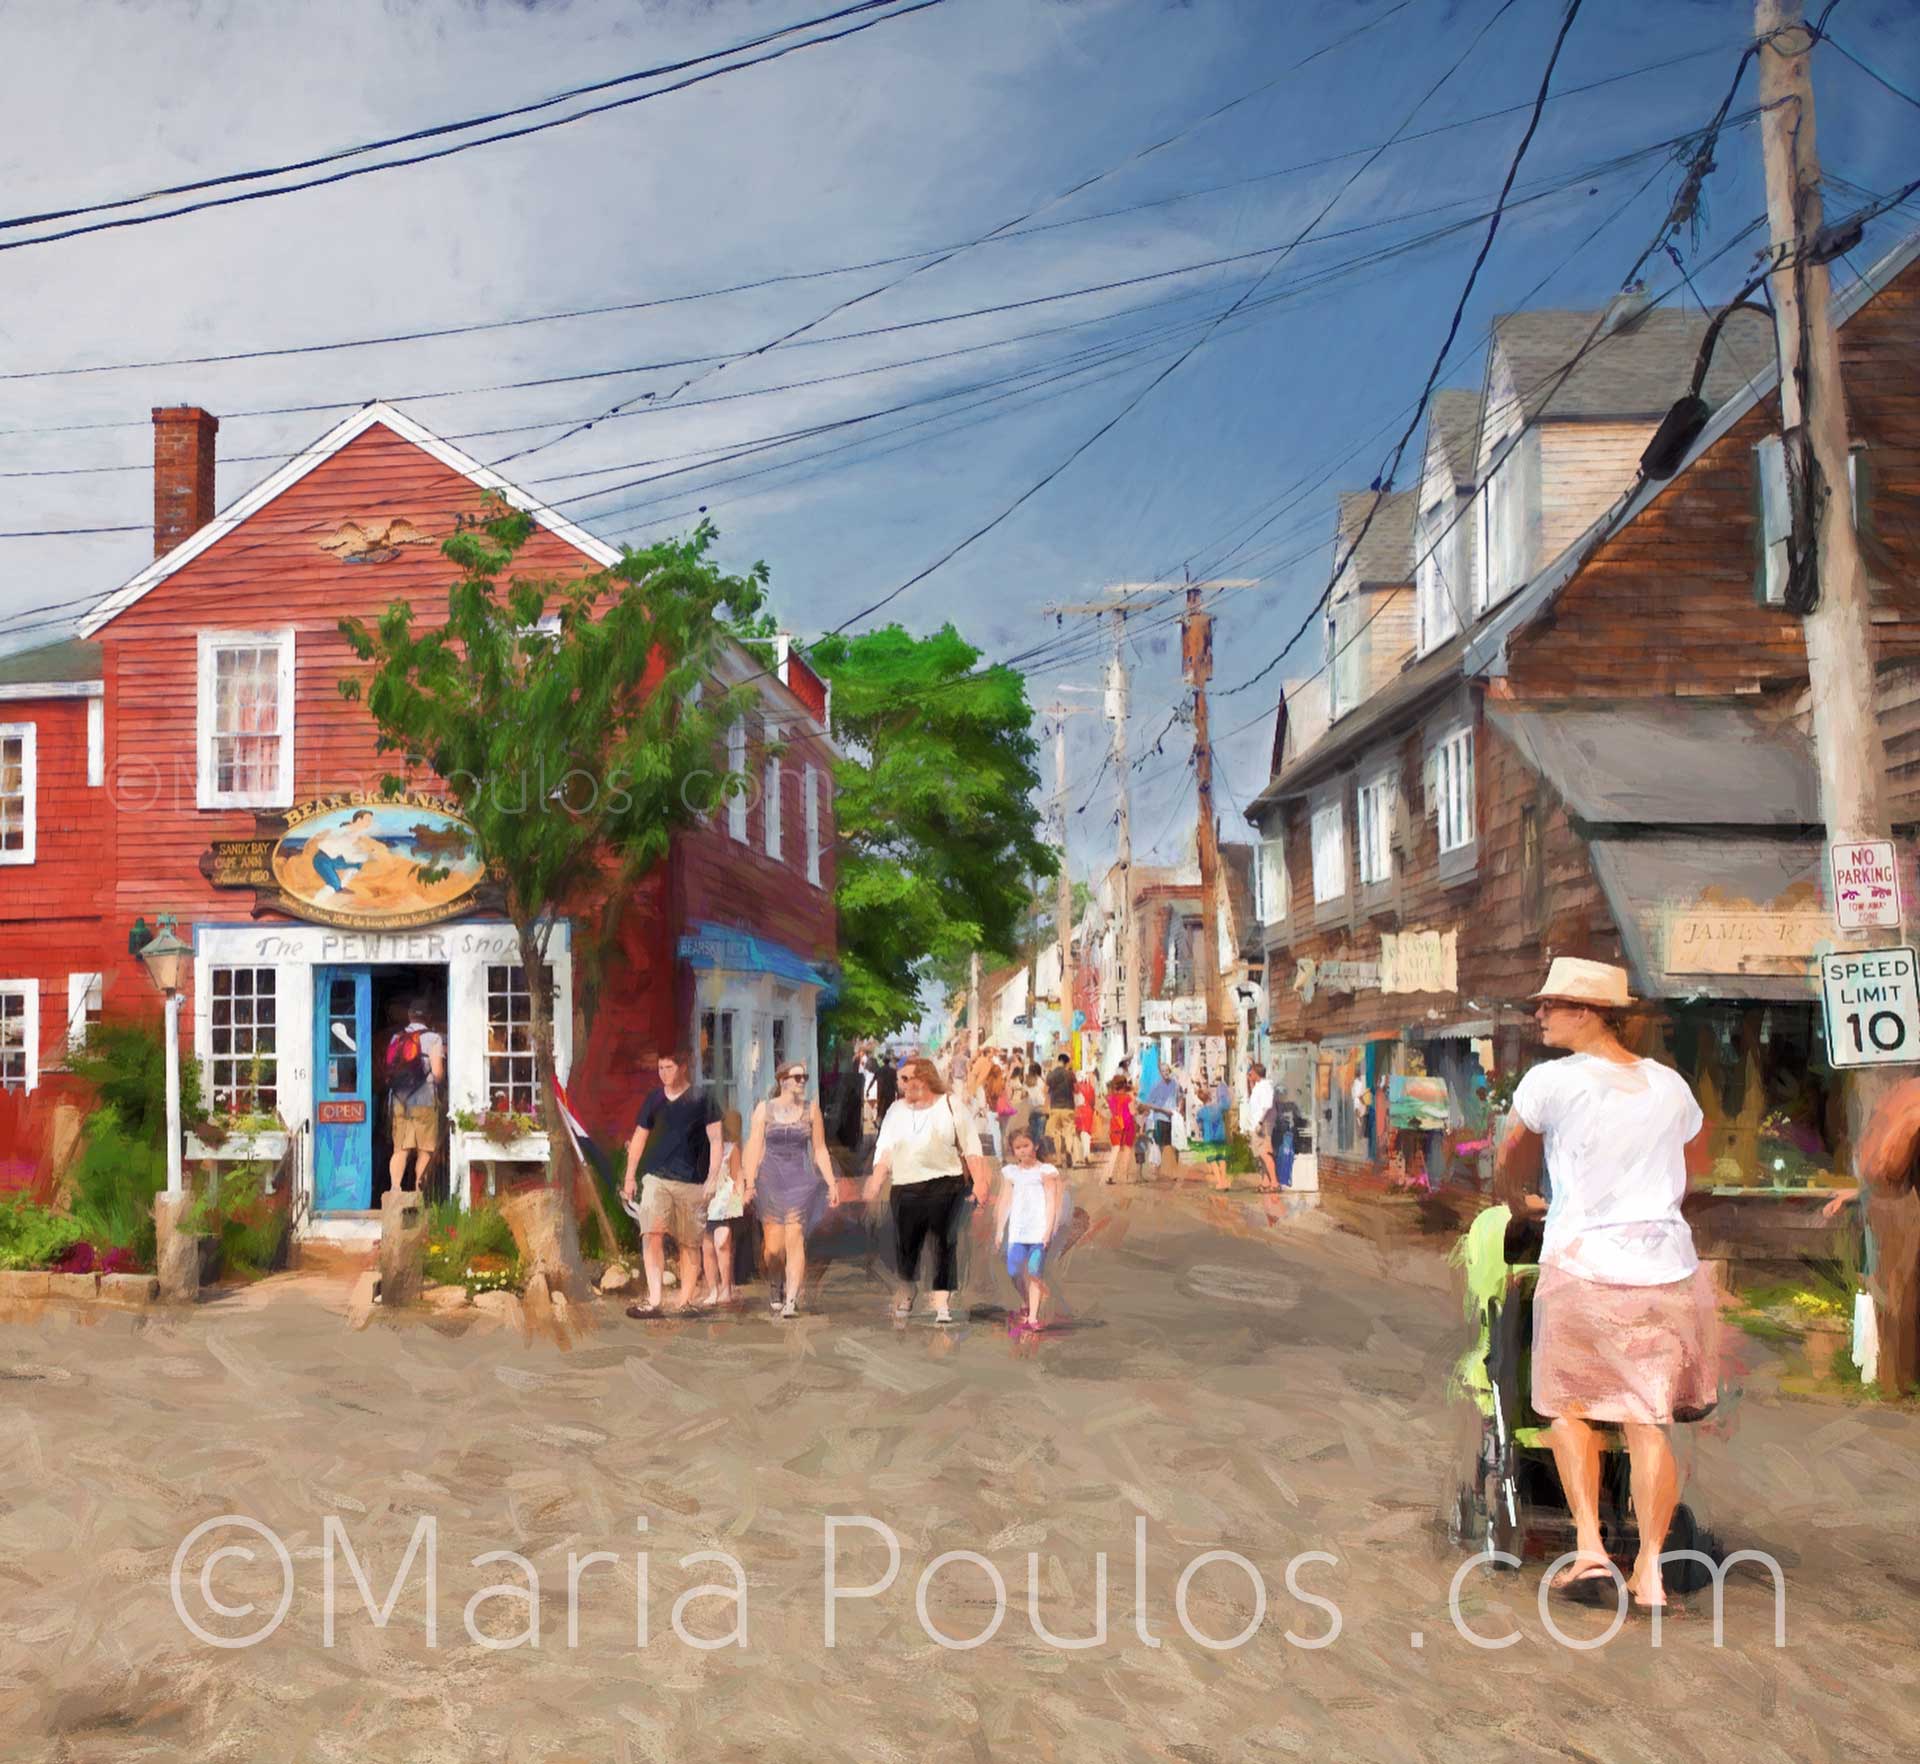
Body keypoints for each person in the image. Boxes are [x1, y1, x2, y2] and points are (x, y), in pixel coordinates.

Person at [1493, 958, 1717, 1612]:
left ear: (1587, 1013)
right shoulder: (1671, 1087)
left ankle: (1591, 1548)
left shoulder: (1549, 1082)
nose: (1540, 1015)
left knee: (1569, 1408)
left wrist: (1519, 1204)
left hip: (1584, 1266)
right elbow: (1692, 1171)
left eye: (1551, 1005)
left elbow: (1512, 1163)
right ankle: (1649, 1573)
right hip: (1663, 1269)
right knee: (1648, 1421)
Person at [864, 1056, 992, 1325]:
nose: (905, 1084)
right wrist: (876, 1179)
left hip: (946, 1183)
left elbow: (970, 1147)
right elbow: (885, 1147)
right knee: (907, 1246)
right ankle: (908, 1289)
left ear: (926, 1078)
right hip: (905, 1186)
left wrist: (980, 1183)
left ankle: (941, 1303)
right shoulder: (896, 1111)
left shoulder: (950, 1104)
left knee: (945, 1243)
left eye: (910, 1078)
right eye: (903, 1079)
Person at [622, 1050, 723, 1318]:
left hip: (692, 1182)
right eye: (660, 1068)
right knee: (651, 1233)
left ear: (682, 1068)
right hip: (657, 1178)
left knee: (689, 1243)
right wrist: (630, 1176)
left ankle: (684, 1301)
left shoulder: (703, 1099)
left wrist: (713, 1178)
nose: (664, 1073)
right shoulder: (654, 1099)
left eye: (669, 1067)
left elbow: (716, 1141)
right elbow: (640, 1137)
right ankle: (654, 1300)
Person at [745, 1058, 837, 1318]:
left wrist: (831, 1182)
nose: (801, 1082)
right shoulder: (764, 1109)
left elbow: (819, 1149)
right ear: (782, 1080)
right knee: (773, 1249)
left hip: (799, 1180)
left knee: (794, 1238)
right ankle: (776, 1282)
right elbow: (753, 1146)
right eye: (797, 1077)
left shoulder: (812, 1110)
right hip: (770, 1181)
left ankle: (792, 1300)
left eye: (804, 1078)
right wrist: (749, 1182)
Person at [994, 1125, 1066, 1335]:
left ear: (1035, 1145)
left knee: (1035, 1272)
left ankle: (1033, 1316)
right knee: (1014, 1270)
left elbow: (1052, 1202)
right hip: (1017, 1231)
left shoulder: (1045, 1171)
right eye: (1017, 1148)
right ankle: (1026, 1301)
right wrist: (999, 1230)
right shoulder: (1011, 1173)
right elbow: (1005, 1201)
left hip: (1038, 1230)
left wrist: (1048, 1230)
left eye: (1026, 1145)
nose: (1022, 1151)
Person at [385, 999, 446, 1197]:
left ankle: (395, 1189)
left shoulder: (397, 1038)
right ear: (427, 1017)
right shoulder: (434, 1039)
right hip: (425, 1101)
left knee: (400, 1148)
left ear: (410, 1016)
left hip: (400, 1101)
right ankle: (419, 1192)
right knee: (424, 1149)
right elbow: (437, 1073)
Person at [701, 1108, 746, 1308]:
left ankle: (726, 1288)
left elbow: (737, 1176)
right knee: (707, 1247)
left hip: (722, 1203)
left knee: (722, 1244)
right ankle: (712, 1289)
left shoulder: (731, 1149)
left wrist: (738, 1204)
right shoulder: (704, 1148)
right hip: (704, 1202)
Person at [1102, 1062, 1137, 1186]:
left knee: (1115, 1150)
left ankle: (1110, 1174)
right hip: (1127, 1124)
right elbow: (1133, 1112)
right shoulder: (1128, 1098)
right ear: (1124, 1085)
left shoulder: (1110, 1098)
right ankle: (1123, 1175)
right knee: (1127, 1150)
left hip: (1115, 1124)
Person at [1246, 1062, 1278, 1193]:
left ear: (1257, 1074)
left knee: (1264, 1153)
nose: (1249, 1074)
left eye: (1251, 1073)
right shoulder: (1259, 1086)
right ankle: (1265, 1182)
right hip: (1257, 1123)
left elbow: (1267, 1106)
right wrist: (1250, 1082)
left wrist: (1260, 1122)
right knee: (1260, 1154)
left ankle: (1274, 1182)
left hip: (1262, 1124)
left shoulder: (1265, 1086)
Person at [1144, 1067, 1182, 1178]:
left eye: (1167, 1071)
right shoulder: (1156, 1086)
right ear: (1160, 1073)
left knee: (1175, 1145)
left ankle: (1174, 1171)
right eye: (1163, 1071)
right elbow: (1149, 1104)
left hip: (1173, 1120)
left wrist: (1179, 1108)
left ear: (1170, 1072)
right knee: (1160, 1145)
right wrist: (1163, 1110)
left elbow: (1180, 1098)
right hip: (1161, 1118)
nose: (1165, 1073)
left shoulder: (1175, 1084)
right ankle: (1157, 1169)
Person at [1044, 1053, 1078, 1167]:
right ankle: (1068, 1150)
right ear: (1067, 1062)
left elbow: (1045, 1090)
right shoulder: (1070, 1074)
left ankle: (1058, 1159)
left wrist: (1047, 1104)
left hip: (1055, 1107)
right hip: (1068, 1107)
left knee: (1056, 1133)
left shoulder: (1051, 1075)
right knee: (1069, 1132)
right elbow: (1077, 1089)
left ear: (1058, 1060)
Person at [1074, 1068, 1098, 1167]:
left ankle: (1076, 1157)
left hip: (1076, 1111)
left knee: (1076, 1135)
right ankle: (1086, 1154)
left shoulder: (1074, 1088)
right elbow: (1093, 1101)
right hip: (1087, 1111)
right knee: (1086, 1134)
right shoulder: (1090, 1088)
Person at [875, 1052, 899, 1119]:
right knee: (889, 1109)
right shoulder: (893, 1071)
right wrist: (898, 1092)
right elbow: (895, 1083)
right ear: (889, 1062)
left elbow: (874, 1080)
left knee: (880, 1110)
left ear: (883, 1061)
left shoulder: (879, 1070)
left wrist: (868, 1089)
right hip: (891, 1093)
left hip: (881, 1093)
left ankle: (879, 1123)